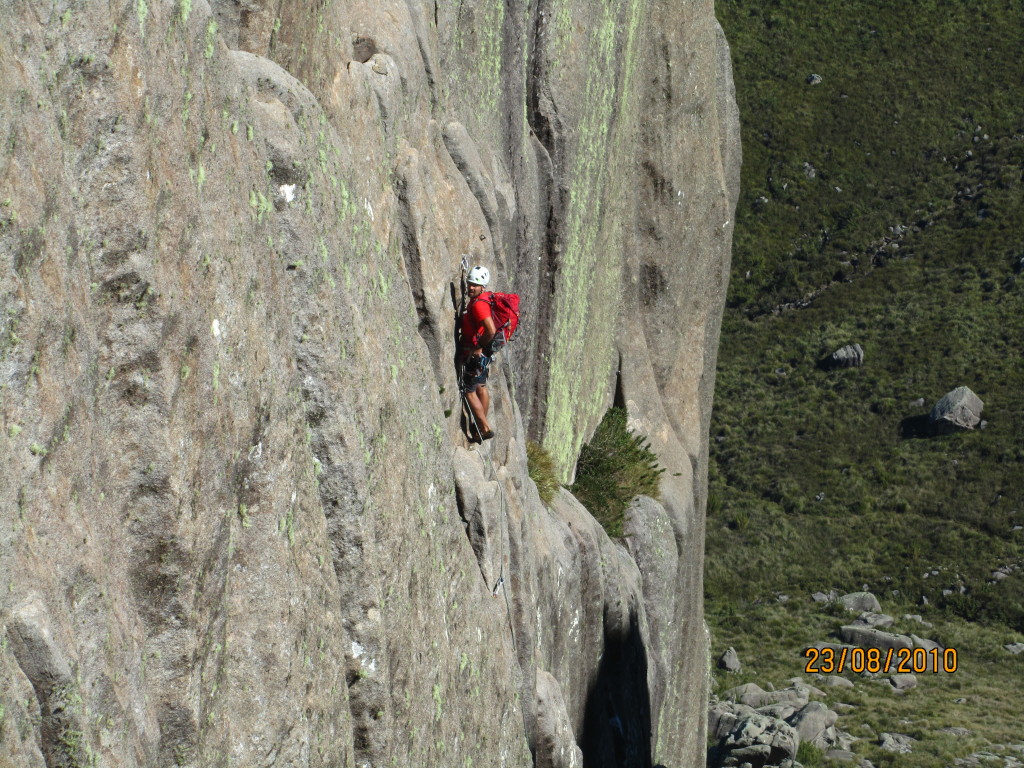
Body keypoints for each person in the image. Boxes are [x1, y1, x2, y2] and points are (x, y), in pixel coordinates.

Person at [460, 265, 496, 440]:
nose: (470, 287)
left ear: (482, 287)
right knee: (481, 386)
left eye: (475, 285)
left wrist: (478, 347)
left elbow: (491, 330)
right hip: (484, 352)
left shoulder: (479, 305)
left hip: (476, 352)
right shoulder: (483, 299)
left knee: (469, 390)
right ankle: (480, 426)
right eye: (469, 283)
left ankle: (484, 428)